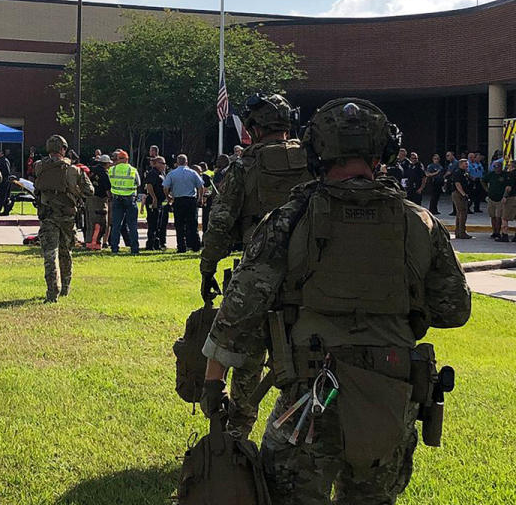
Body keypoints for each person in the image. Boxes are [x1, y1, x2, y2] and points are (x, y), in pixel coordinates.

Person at [200, 98, 471, 505]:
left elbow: (239, 310)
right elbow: (455, 309)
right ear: (382, 153)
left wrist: (212, 382)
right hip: (390, 395)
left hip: (311, 398)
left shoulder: (290, 219)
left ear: (316, 152)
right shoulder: (419, 222)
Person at [198, 93, 310, 436]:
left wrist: (207, 267)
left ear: (254, 129)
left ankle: (238, 433)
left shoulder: (244, 166)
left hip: (258, 270)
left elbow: (220, 223)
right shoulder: (313, 161)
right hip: (310, 273)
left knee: (247, 356)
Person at [34, 135, 93, 302]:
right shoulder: (73, 170)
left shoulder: (39, 166)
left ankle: (52, 291)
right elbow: (90, 190)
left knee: (49, 253)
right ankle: (66, 287)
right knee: (66, 251)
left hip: (47, 215)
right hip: (67, 216)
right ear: (63, 149)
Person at [162, 154, 203, 253]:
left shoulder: (172, 174)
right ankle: (195, 245)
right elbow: (200, 186)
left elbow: (165, 187)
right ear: (186, 162)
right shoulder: (193, 173)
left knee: (179, 225)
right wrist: (200, 197)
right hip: (190, 200)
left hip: (178, 201)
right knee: (192, 224)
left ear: (177, 162)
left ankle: (181, 246)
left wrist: (168, 197)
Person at [108, 149, 140, 255]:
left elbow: (109, 182)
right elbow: (138, 183)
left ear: (118, 159)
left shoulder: (111, 170)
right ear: (127, 159)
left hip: (117, 199)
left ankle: (114, 248)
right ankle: (134, 249)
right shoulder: (132, 170)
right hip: (130, 199)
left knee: (116, 225)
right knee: (132, 225)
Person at [85, 154, 112, 250]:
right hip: (100, 200)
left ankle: (88, 243)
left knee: (89, 222)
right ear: (106, 164)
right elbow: (108, 189)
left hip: (89, 198)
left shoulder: (91, 170)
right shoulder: (104, 174)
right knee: (99, 222)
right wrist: (110, 199)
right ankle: (95, 244)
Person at [483, 159, 512, 241]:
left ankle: (498, 232)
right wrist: (486, 189)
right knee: (492, 216)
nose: (496, 168)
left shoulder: (505, 175)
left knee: (498, 217)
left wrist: (505, 196)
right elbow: (483, 180)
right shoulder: (491, 174)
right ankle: (494, 232)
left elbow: (508, 186)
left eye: (498, 166)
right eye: (494, 166)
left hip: (500, 199)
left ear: (501, 167)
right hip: (491, 198)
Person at [144, 155, 168, 250]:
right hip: (153, 201)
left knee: (158, 223)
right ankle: (150, 244)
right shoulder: (153, 173)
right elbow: (149, 186)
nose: (164, 165)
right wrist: (154, 198)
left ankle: (156, 244)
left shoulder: (161, 173)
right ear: (156, 163)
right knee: (153, 223)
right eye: (162, 163)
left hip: (159, 201)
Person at [449, 158, 472, 239]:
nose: (467, 165)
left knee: (460, 213)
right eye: (465, 164)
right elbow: (457, 184)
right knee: (462, 213)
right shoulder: (458, 172)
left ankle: (458, 232)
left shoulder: (464, 172)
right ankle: (462, 232)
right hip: (458, 194)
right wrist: (463, 194)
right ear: (460, 164)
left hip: (462, 193)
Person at [0, 149, 13, 216]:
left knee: (1, 197)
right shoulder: (2, 160)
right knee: (4, 197)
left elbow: (6, 171)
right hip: (3, 181)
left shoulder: (3, 160)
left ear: (1, 153)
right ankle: (5, 211)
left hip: (4, 182)